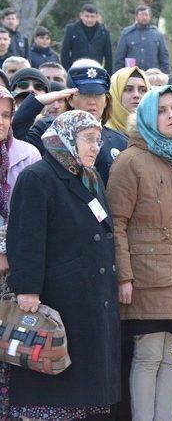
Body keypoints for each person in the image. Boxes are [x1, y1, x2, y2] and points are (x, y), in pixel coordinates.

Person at [106, 85, 172, 420]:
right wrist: (124, 275)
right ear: (149, 117)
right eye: (162, 110)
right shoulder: (130, 160)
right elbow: (116, 224)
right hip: (146, 277)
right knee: (149, 354)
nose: (171, 116)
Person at [7, 109, 120, 419]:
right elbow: (26, 237)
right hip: (57, 298)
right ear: (66, 138)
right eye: (87, 139)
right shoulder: (38, 177)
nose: (94, 147)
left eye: (98, 140)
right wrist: (27, 289)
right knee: (54, 384)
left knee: (84, 391)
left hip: (91, 296)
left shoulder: (90, 176)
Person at [12, 59, 127, 185]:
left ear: (106, 101)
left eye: (98, 95)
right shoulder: (48, 131)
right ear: (70, 99)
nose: (92, 101)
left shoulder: (120, 141)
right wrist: (39, 101)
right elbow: (18, 133)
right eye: (84, 94)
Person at [0, 86, 40, 419]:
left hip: (14, 275)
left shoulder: (28, 154)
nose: (1, 121)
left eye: (6, 114)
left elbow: (32, 219)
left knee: (13, 355)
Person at [114, 5, 170, 73]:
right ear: (136, 16)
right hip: (132, 75)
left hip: (153, 76)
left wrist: (165, 75)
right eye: (141, 15)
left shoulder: (157, 35)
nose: (144, 17)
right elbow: (119, 59)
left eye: (146, 15)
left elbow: (164, 59)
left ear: (150, 17)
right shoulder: (127, 34)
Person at [60, 3, 112, 73]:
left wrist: (107, 75)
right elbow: (64, 53)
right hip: (76, 71)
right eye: (87, 16)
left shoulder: (104, 32)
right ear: (81, 15)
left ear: (96, 17)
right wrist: (68, 71)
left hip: (96, 72)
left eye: (92, 16)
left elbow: (108, 56)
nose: (89, 19)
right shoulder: (71, 30)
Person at [106, 66, 150, 134]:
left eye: (143, 90)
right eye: (128, 89)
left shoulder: (158, 133)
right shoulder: (99, 136)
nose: (136, 95)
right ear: (114, 93)